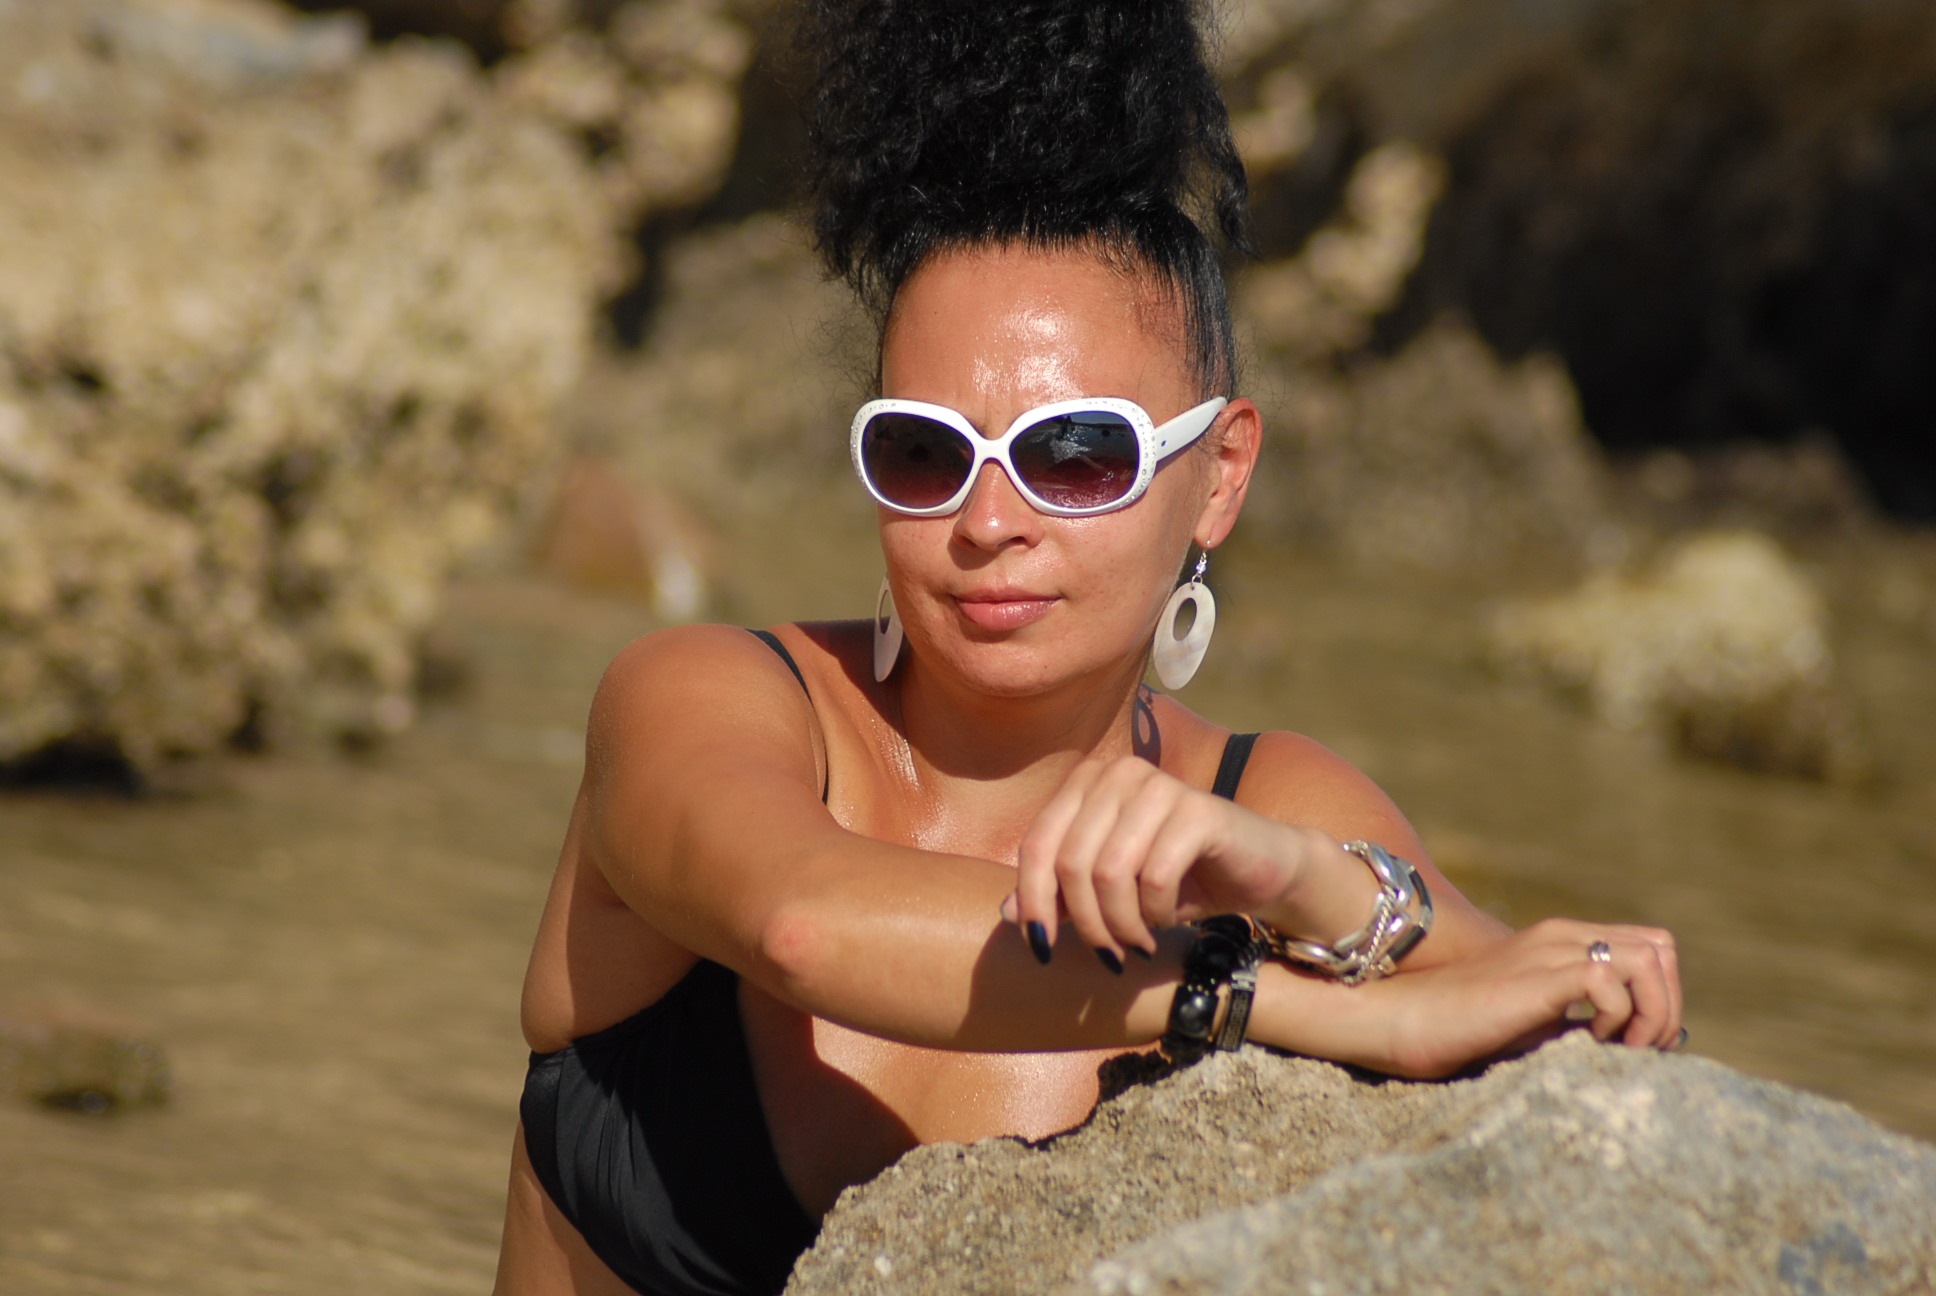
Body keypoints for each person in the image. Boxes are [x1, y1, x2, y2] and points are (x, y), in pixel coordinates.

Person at [492, 2, 1682, 1293]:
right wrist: (1271, 993)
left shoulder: (1264, 807)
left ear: (1219, 476)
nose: (986, 522)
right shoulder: (703, 697)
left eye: (1074, 454)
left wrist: (1301, 880)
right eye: (925, 451)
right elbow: (801, 926)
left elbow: (1573, 1025)